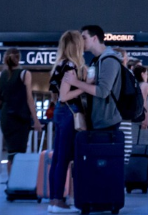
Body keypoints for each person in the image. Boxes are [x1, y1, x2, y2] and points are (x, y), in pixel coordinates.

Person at [48, 31, 87, 213]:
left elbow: (57, 95)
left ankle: (54, 199)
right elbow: (65, 96)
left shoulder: (58, 65)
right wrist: (85, 86)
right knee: (63, 159)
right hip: (69, 114)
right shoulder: (70, 66)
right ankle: (58, 201)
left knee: (57, 158)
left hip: (59, 113)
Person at [0, 48, 42, 175]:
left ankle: (12, 183)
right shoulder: (25, 74)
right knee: (19, 151)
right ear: (18, 59)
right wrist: (36, 121)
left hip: (6, 118)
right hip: (20, 118)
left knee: (11, 152)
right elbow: (29, 99)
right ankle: (17, 182)